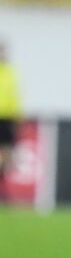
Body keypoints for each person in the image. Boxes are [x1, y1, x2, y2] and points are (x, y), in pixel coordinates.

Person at [0, 42, 22, 201]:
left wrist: (17, 117)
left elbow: (15, 96)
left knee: (7, 156)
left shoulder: (10, 72)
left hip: (7, 118)